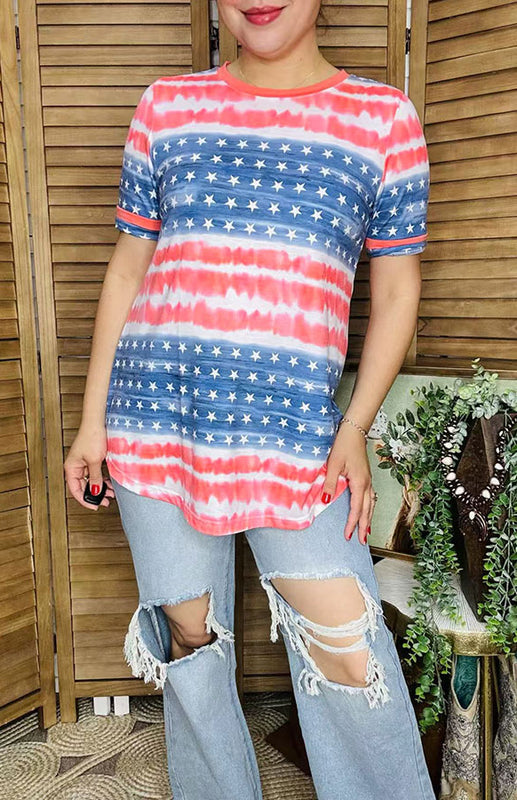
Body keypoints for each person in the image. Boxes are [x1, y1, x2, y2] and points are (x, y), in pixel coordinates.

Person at [64, 1, 435, 798]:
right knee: (189, 643)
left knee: (348, 650)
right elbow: (128, 269)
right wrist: (92, 423)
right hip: (154, 422)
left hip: (295, 435)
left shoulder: (381, 119)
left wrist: (355, 426)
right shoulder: (167, 107)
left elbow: (397, 291)